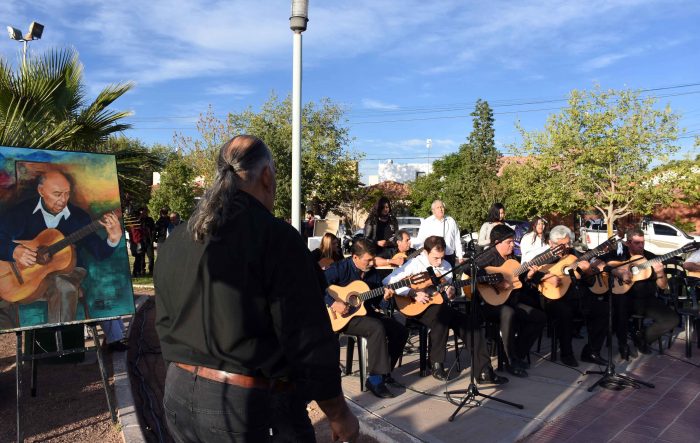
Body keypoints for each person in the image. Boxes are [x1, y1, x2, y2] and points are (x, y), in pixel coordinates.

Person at [154, 135, 358, 442]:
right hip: (240, 404)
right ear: (266, 175)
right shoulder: (276, 238)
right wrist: (338, 413)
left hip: (176, 391)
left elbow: (165, 320)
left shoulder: (179, 237)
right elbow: (307, 338)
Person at [0, 170, 123, 326]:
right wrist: (14, 251)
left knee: (63, 286)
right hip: (26, 276)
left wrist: (113, 238)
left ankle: (61, 341)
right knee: (5, 299)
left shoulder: (79, 217)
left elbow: (99, 252)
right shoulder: (21, 212)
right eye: (57, 194)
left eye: (67, 194)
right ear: (41, 191)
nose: (63, 200)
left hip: (69, 272)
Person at [384, 236, 509, 384]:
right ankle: (436, 364)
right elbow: (388, 281)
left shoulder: (446, 266)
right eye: (435, 258)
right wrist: (412, 293)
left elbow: (445, 291)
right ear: (425, 252)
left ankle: (484, 371)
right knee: (442, 315)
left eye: (441, 258)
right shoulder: (414, 264)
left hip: (439, 307)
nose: (439, 262)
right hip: (415, 308)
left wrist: (451, 291)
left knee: (471, 324)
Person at [324, 238, 409, 399]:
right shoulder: (340, 268)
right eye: (367, 260)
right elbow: (317, 284)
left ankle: (385, 372)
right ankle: (375, 380)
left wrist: (385, 298)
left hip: (365, 313)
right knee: (376, 327)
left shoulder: (373, 273)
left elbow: (379, 304)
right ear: (355, 257)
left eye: (373, 259)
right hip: (342, 318)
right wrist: (333, 302)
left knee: (400, 330)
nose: (371, 263)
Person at [524, 225, 608, 367]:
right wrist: (545, 277)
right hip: (552, 299)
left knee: (603, 310)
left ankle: (591, 352)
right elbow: (527, 277)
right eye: (563, 245)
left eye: (568, 243)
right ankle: (566, 354)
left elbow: (590, 282)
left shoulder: (575, 255)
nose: (567, 247)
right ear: (551, 244)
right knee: (565, 312)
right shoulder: (542, 258)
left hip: (578, 297)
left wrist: (588, 272)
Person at [476, 225, 547, 376]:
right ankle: (509, 361)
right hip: (488, 304)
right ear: (497, 242)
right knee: (508, 313)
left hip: (510, 301)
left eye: (513, 241)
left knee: (539, 317)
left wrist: (528, 276)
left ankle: (518, 353)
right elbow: (471, 269)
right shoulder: (489, 255)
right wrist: (495, 282)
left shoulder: (512, 259)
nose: (512, 245)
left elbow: (519, 281)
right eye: (509, 242)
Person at [596, 228, 676, 358]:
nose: (641, 246)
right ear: (628, 243)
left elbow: (663, 286)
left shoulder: (651, 257)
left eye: (642, 242)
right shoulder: (619, 255)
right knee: (621, 308)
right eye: (637, 243)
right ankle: (623, 345)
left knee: (672, 319)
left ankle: (642, 338)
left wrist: (660, 273)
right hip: (624, 296)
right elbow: (597, 262)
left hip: (647, 299)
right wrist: (618, 272)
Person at [414, 200, 463, 267]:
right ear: (433, 210)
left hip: (449, 256)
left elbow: (457, 239)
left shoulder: (451, 221)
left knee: (450, 277)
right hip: (434, 258)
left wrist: (460, 256)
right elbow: (420, 241)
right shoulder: (427, 222)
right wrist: (427, 256)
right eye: (438, 207)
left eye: (442, 207)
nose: (440, 209)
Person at [138, 208, 155, 275]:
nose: (144, 214)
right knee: (142, 257)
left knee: (151, 256)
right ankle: (142, 270)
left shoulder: (150, 220)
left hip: (149, 240)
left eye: (145, 213)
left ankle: (151, 270)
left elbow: (153, 229)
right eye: (142, 213)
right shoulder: (139, 220)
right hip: (141, 241)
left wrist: (152, 239)